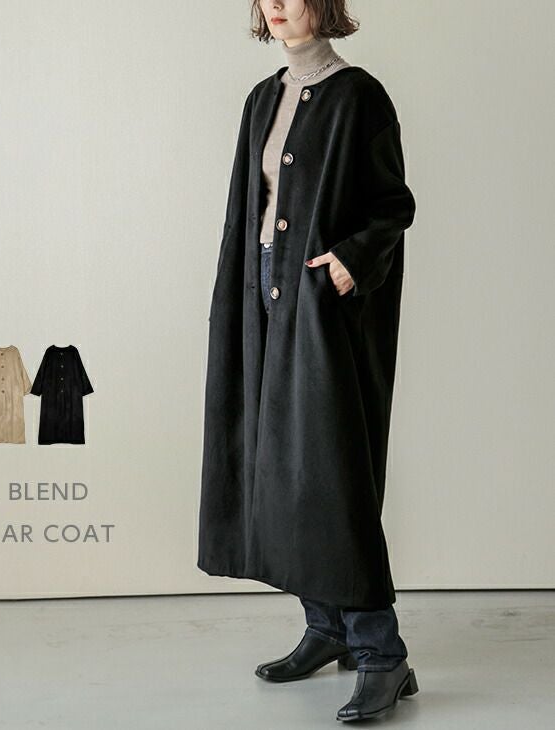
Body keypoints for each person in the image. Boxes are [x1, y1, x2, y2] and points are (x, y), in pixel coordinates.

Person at [197, 0, 419, 721]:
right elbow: (252, 206)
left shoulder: (359, 96)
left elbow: (393, 204)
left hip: (318, 295)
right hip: (261, 289)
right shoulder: (263, 98)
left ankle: (382, 654)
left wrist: (352, 260)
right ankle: (327, 629)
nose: (276, 4)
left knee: (328, 472)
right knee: (278, 466)